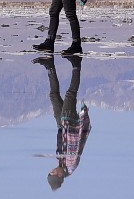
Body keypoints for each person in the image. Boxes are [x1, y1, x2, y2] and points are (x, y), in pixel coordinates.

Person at [33, 54, 92, 191]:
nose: (52, 170)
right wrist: (80, 119)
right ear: (59, 176)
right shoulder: (71, 165)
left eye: (50, 172)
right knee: (70, 94)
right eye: (53, 173)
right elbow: (75, 144)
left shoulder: (62, 164)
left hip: (61, 125)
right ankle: (76, 64)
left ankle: (49, 66)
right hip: (70, 123)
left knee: (53, 95)